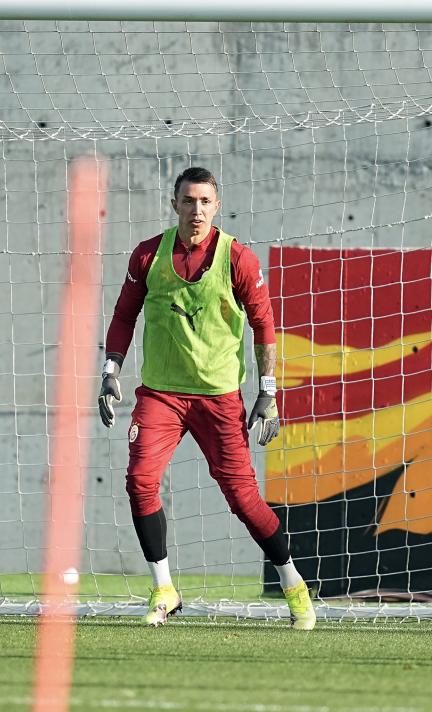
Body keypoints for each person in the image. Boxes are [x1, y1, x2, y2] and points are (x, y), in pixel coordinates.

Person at [98, 166, 316, 630]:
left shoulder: (237, 258)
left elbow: (263, 325)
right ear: (174, 204)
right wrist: (110, 370)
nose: (196, 210)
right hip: (161, 395)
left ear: (216, 206)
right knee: (140, 480)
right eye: (188, 200)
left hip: (219, 397)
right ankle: (164, 589)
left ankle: (293, 584)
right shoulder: (147, 255)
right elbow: (123, 315)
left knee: (243, 500)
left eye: (204, 202)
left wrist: (268, 392)